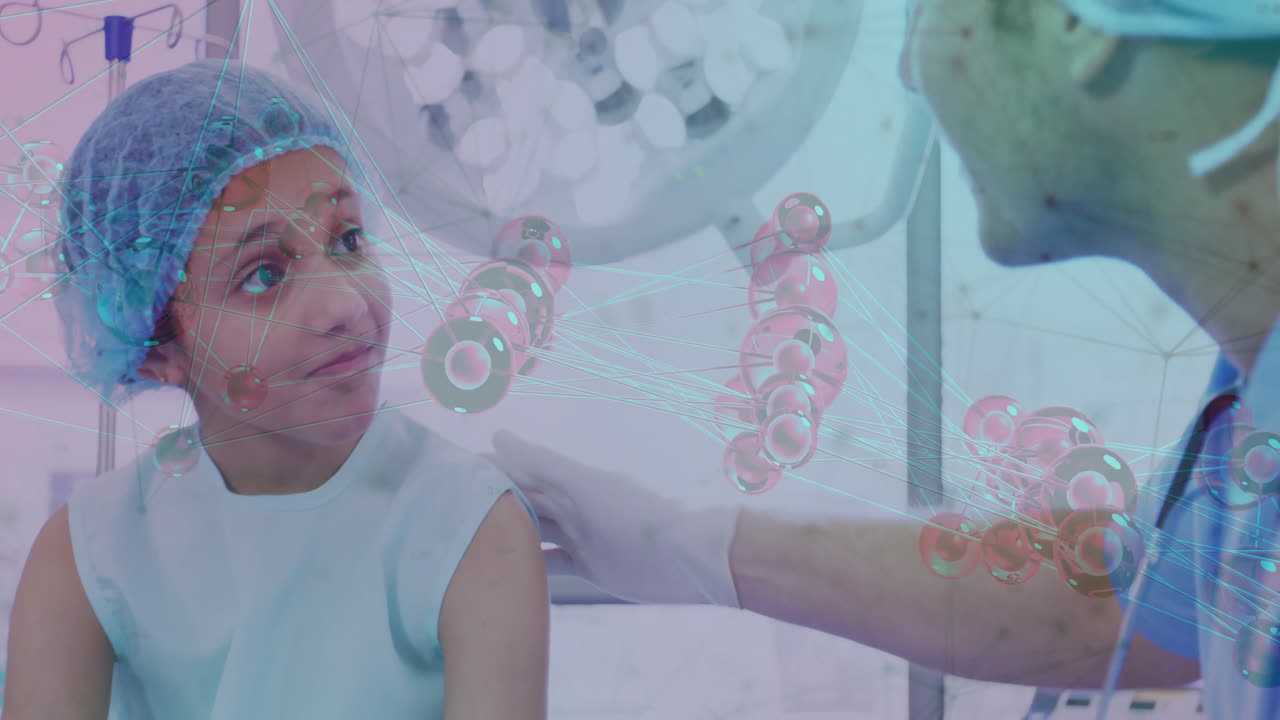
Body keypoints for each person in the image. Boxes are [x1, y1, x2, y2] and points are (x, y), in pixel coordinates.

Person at [491, 0, 1280, 717]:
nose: (909, 69)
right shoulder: (1246, 422)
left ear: (1078, 25)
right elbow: (1115, 607)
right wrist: (696, 546)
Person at [2, 60, 548, 720]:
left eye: (348, 239)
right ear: (156, 353)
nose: (344, 304)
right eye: (263, 275)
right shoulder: (89, 552)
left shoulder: (468, 524)